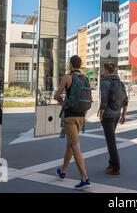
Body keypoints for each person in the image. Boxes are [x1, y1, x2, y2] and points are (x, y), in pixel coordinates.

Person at [54, 56, 92, 190]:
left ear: (70, 64)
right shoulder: (85, 78)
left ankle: (84, 178)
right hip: (82, 115)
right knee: (70, 144)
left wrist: (60, 99)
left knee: (75, 145)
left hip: (70, 116)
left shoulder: (67, 77)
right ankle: (63, 172)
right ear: (80, 65)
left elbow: (56, 95)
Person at [98, 62, 129, 176]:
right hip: (116, 114)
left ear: (106, 70)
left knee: (111, 142)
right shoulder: (120, 83)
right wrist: (123, 115)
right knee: (111, 140)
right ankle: (111, 163)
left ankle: (116, 167)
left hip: (108, 116)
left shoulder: (104, 82)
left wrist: (101, 112)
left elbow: (104, 100)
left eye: (104, 70)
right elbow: (125, 101)